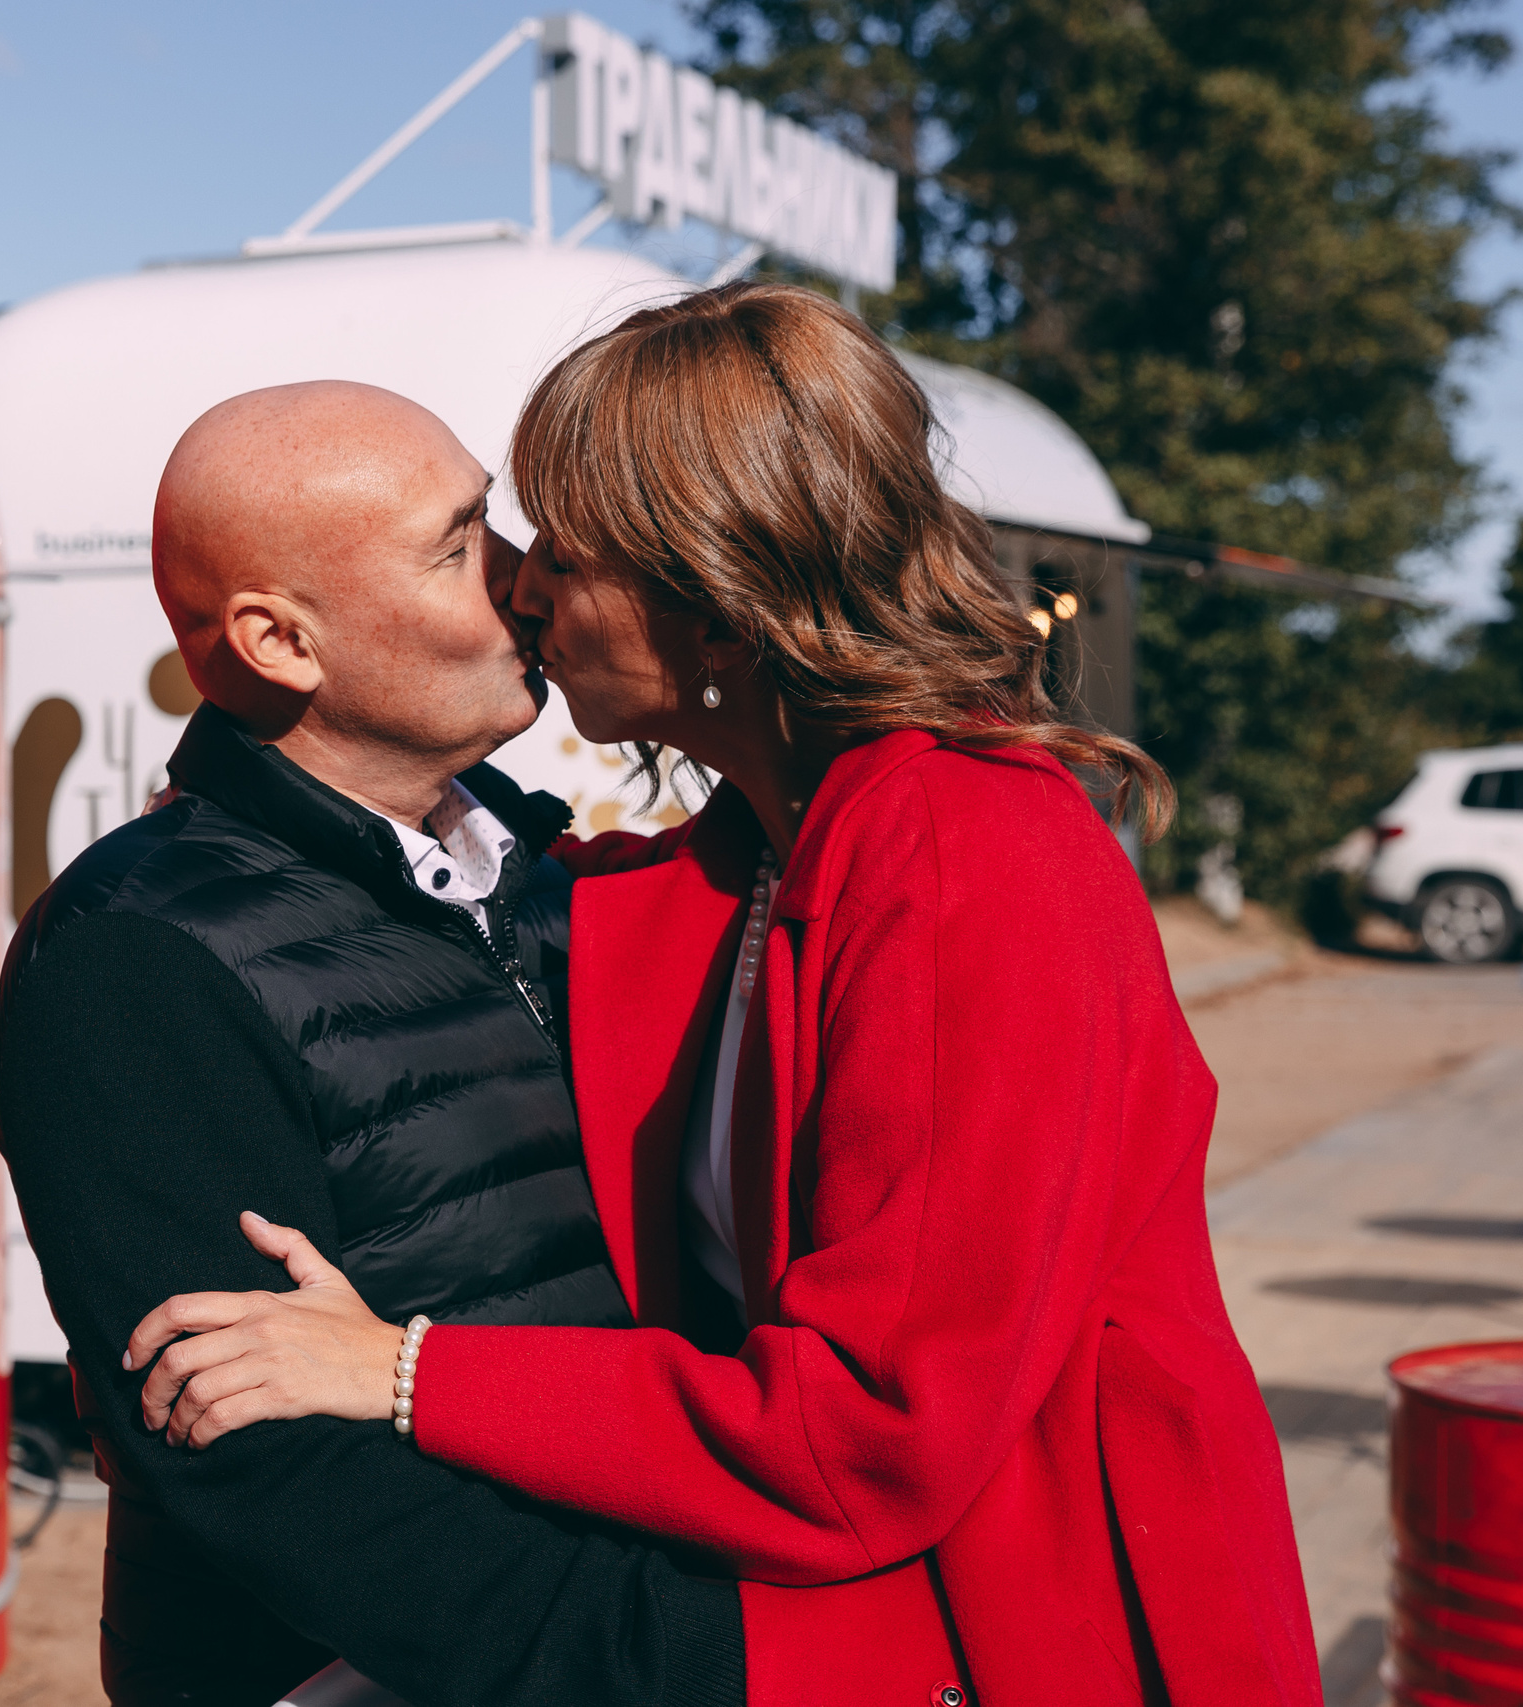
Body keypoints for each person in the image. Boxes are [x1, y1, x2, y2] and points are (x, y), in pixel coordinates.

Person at [125, 283, 1322, 1706]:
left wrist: (399, 1373)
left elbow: (873, 1426)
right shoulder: (750, 861)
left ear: (720, 604)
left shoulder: (966, 857)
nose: (523, 585)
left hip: (1034, 1623)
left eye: (567, 550)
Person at [0, 380, 760, 1707]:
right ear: (281, 641)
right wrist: (671, 1654)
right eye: (461, 545)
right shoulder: (133, 954)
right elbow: (252, 1453)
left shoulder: (553, 878)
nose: (526, 584)